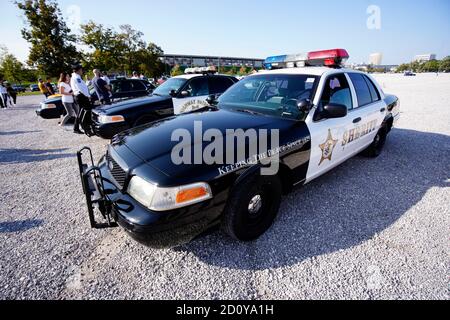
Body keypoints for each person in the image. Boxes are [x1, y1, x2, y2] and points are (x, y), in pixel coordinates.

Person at [71, 64, 91, 135]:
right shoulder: (77, 78)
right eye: (81, 69)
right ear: (79, 70)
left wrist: (87, 82)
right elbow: (81, 89)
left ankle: (77, 128)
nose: (82, 71)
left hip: (80, 96)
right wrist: (88, 96)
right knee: (86, 111)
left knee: (81, 112)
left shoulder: (76, 77)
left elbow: (83, 87)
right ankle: (86, 127)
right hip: (81, 96)